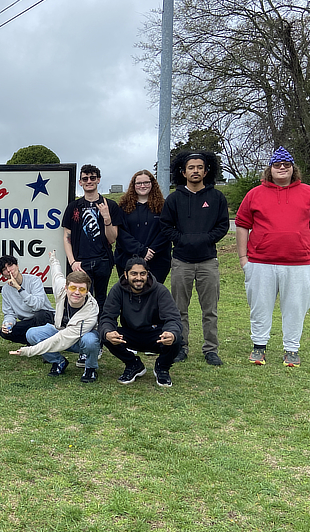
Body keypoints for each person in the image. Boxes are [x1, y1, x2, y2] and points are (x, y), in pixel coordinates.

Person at [235, 146, 310, 367]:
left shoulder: (309, 193)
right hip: (260, 262)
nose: (282, 168)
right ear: (270, 169)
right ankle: (259, 346)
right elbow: (242, 226)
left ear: (293, 168)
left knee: (296, 307)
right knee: (259, 306)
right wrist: (243, 259)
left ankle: (292, 349)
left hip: (300, 264)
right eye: (277, 165)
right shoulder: (254, 194)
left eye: (286, 165)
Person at [160, 150, 229, 366]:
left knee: (210, 310)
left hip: (208, 261)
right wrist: (182, 240)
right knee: (179, 309)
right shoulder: (174, 198)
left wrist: (206, 239)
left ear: (207, 170)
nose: (195, 171)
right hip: (181, 262)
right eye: (191, 167)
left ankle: (211, 349)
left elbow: (223, 226)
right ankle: (181, 346)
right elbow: (165, 226)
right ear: (183, 171)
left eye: (199, 167)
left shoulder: (216, 197)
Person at [9, 251, 100, 383]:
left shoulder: (91, 310)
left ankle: (90, 368)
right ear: (66, 287)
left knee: (91, 341)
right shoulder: (61, 289)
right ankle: (59, 362)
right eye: (73, 287)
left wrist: (28, 351)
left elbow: (62, 338)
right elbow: (57, 274)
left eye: (82, 290)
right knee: (32, 334)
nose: (76, 293)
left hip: (80, 339)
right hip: (60, 330)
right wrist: (53, 259)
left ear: (87, 291)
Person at [61, 164, 120, 368]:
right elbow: (66, 236)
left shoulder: (109, 204)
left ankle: (98, 342)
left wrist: (106, 217)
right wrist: (71, 261)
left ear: (98, 180)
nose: (89, 181)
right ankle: (82, 346)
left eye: (92, 178)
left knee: (100, 302)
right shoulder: (74, 207)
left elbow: (112, 239)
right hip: (80, 263)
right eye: (85, 178)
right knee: (80, 301)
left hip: (103, 260)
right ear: (80, 182)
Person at [98, 256, 182, 387]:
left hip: (156, 335)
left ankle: (162, 367)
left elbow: (173, 318)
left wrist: (171, 333)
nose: (138, 278)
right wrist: (108, 332)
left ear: (147, 274)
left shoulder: (160, 290)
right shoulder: (117, 290)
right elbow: (107, 317)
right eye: (134, 274)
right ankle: (133, 364)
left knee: (177, 338)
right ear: (125, 275)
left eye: (142, 273)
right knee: (104, 335)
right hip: (130, 334)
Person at [115, 170, 171, 283]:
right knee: (130, 295)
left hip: (157, 260)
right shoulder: (123, 207)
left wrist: (151, 251)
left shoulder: (163, 206)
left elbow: (166, 230)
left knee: (153, 296)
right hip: (128, 259)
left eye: (146, 182)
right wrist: (141, 251)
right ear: (133, 185)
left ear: (152, 184)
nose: (142, 186)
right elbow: (121, 233)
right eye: (139, 183)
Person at [0, 254, 54, 345]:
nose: (9, 270)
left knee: (40, 315)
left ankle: (45, 347)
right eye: (4, 269)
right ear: (3, 275)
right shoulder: (6, 290)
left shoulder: (34, 280)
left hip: (46, 317)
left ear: (17, 266)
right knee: (5, 333)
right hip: (28, 321)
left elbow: (38, 305)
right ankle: (33, 342)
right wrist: (8, 323)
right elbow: (9, 313)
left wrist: (19, 288)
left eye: (10, 266)